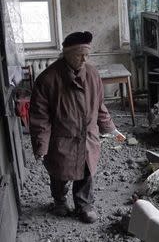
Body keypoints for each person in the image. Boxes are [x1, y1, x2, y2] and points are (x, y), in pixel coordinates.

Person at [29, 31, 126, 223]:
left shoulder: (92, 74)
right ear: (66, 53)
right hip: (62, 138)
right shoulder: (48, 79)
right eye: (78, 55)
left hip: (88, 136)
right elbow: (40, 118)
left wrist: (111, 129)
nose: (84, 59)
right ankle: (59, 200)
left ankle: (84, 205)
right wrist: (41, 145)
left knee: (86, 172)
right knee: (59, 173)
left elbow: (99, 106)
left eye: (87, 55)